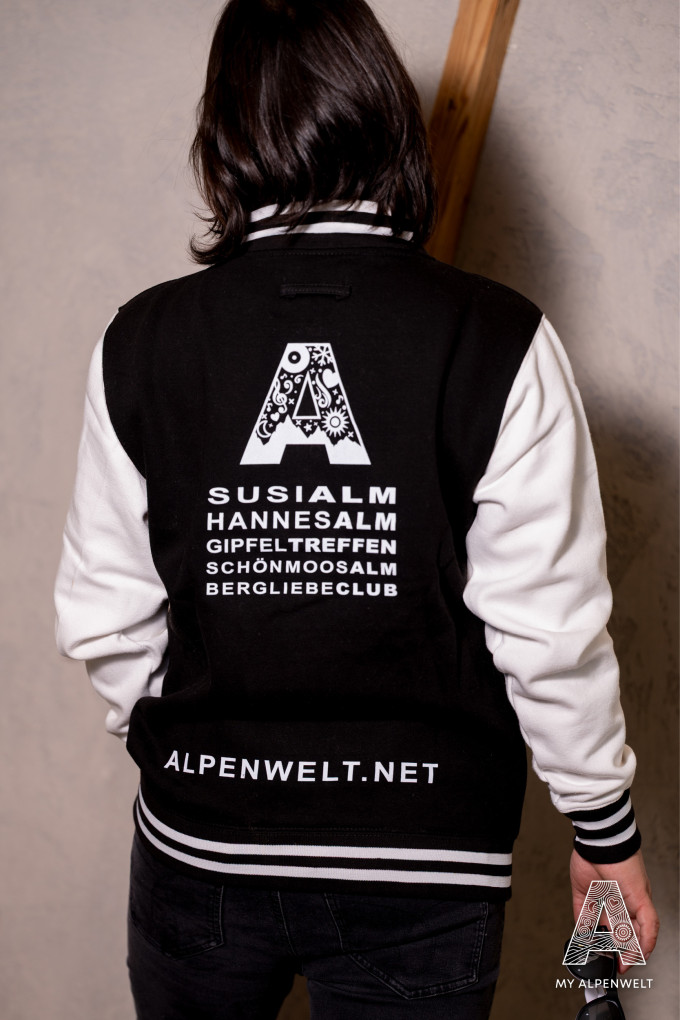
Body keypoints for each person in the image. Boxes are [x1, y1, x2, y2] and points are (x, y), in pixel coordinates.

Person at [54, 1, 659, 1017]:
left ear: (224, 132)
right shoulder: (499, 338)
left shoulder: (142, 342)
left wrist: (209, 757)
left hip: (202, 855)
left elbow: (104, 619)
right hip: (423, 873)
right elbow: (547, 631)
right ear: (383, 112)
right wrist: (605, 837)